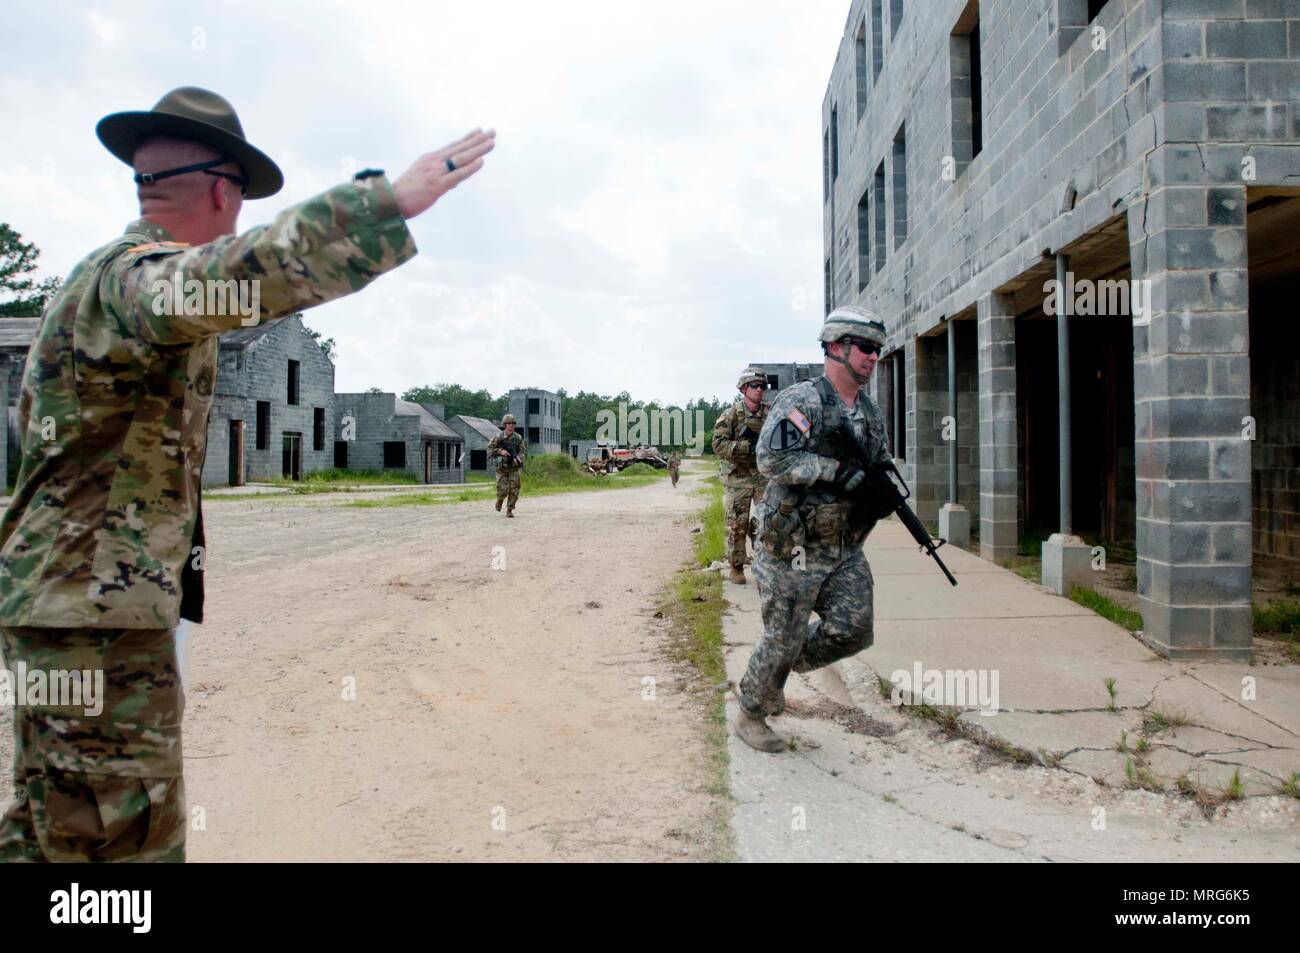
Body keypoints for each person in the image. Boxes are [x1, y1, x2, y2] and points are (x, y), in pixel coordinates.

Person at [0, 86, 494, 861]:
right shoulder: (135, 282)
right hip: (93, 629)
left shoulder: (91, 287)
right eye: (240, 204)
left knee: (49, 831)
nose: (236, 219)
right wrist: (386, 204)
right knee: (119, 846)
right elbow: (238, 272)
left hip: (68, 617)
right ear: (224, 192)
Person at [733, 307, 892, 754]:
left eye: (877, 350)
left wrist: (885, 490)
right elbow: (772, 460)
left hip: (843, 547)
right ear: (837, 348)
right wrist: (834, 471)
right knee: (781, 636)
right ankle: (752, 709)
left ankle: (776, 670)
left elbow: (878, 462)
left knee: (855, 628)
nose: (872, 357)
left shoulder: (869, 413)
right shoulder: (801, 402)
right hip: (792, 547)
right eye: (865, 348)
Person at [712, 368, 770, 585]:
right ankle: (736, 566)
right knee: (738, 523)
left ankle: (765, 565)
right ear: (744, 389)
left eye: (763, 386)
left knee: (770, 521)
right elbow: (718, 444)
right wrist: (746, 447)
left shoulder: (771, 412)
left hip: (763, 476)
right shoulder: (731, 415)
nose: (759, 390)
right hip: (738, 476)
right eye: (754, 386)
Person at [486, 414, 527, 517]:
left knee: (515, 489)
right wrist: (500, 451)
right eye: (509, 423)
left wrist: (518, 458)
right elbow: (490, 449)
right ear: (505, 425)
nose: (511, 425)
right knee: (502, 489)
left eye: (513, 423)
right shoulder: (498, 437)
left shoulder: (518, 438)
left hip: (514, 467)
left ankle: (509, 510)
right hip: (502, 467)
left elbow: (523, 451)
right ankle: (500, 499)